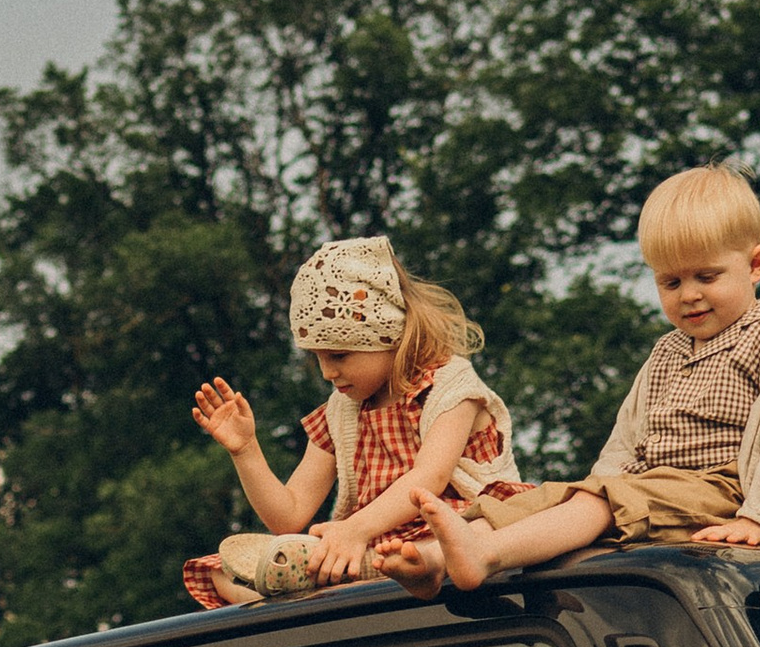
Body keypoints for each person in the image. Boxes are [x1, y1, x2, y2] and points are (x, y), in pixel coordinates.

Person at [386, 166, 760, 590]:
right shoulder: (668, 350)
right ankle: (434, 560)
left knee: (599, 502)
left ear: (755, 265)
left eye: (706, 276)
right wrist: (590, 492)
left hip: (722, 490)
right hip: (649, 487)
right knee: (554, 496)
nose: (690, 295)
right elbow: (626, 439)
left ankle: (485, 556)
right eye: (671, 283)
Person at [181, 233, 517, 606]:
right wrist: (246, 450)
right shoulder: (342, 410)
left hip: (454, 523)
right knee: (220, 570)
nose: (327, 373)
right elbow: (290, 515)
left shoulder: (449, 384)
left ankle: (402, 572)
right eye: (318, 359)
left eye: (339, 356)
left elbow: (430, 478)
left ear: (388, 336)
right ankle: (347, 584)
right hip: (369, 541)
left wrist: (354, 530)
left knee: (454, 538)